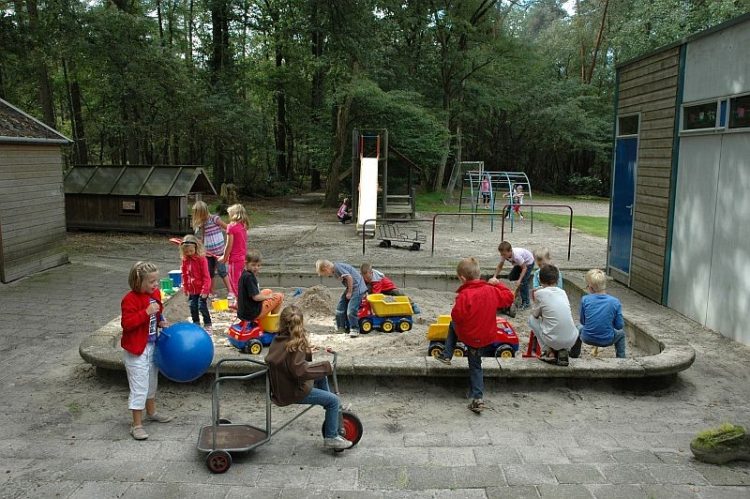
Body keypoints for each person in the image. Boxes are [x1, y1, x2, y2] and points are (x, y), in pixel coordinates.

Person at [265, 305, 353, 450]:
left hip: (281, 386)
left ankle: (333, 408)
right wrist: (327, 367)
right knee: (333, 400)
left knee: (320, 376)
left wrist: (308, 354)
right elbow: (300, 371)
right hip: (292, 391)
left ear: (281, 322)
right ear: (301, 323)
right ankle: (331, 437)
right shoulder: (297, 344)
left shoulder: (278, 339)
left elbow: (291, 362)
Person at [435, 257, 514, 414]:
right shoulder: (492, 290)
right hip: (488, 336)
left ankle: (447, 356)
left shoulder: (465, 295)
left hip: (471, 337)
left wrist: (458, 304)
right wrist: (498, 284)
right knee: (475, 364)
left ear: (463, 278)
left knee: (474, 363)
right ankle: (474, 394)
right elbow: (509, 297)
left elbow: (457, 316)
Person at [121, 261, 173, 441]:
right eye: (151, 282)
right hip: (136, 350)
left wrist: (161, 321)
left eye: (156, 280)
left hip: (152, 346)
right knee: (139, 386)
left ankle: (151, 412)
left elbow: (157, 314)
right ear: (138, 282)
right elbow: (126, 325)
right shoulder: (129, 299)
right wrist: (145, 312)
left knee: (151, 381)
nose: (156, 285)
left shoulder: (155, 294)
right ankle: (136, 425)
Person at [528, 264, 579, 366]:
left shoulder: (539, 293)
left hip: (553, 340)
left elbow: (536, 314)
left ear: (540, 280)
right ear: (557, 279)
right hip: (572, 339)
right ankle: (563, 350)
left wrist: (533, 301)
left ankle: (547, 351)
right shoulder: (563, 293)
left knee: (531, 319)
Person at [578, 269, 627, 358]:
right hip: (607, 339)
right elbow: (619, 326)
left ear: (590, 287)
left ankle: (574, 355)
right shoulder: (615, 302)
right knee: (621, 334)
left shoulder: (585, 299)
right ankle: (621, 359)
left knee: (578, 329)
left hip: (587, 337)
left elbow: (582, 322)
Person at [316, 259, 367, 337]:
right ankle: (341, 327)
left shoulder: (337, 268)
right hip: (351, 287)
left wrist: (349, 292)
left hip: (358, 288)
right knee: (340, 307)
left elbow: (349, 278)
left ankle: (355, 329)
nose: (326, 276)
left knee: (351, 310)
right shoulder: (334, 270)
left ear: (326, 268)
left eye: (324, 273)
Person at [191, 200, 232, 297]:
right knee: (210, 272)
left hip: (219, 252)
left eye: (200, 214)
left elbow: (228, 228)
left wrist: (232, 239)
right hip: (208, 253)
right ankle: (211, 291)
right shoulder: (203, 224)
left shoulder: (215, 219)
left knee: (222, 271)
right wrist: (201, 247)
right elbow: (204, 237)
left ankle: (230, 290)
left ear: (204, 212)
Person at [237, 249, 284, 328]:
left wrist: (267, 295)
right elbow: (256, 297)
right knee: (279, 296)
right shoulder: (250, 277)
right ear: (246, 264)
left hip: (243, 311)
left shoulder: (244, 274)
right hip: (252, 313)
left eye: (258, 265)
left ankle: (267, 313)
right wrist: (268, 297)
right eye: (253, 265)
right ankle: (272, 323)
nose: (256, 268)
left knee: (267, 291)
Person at [179, 235, 212, 333]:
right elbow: (184, 274)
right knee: (192, 306)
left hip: (202, 289)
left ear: (196, 248)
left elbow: (206, 276)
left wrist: (205, 290)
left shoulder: (201, 259)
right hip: (192, 290)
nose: (189, 253)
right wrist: (185, 287)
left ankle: (208, 324)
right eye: (186, 252)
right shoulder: (185, 260)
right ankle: (196, 323)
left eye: (191, 251)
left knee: (202, 306)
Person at [219, 203, 250, 306]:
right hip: (243, 258)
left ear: (233, 214)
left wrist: (224, 257)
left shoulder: (231, 227)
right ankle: (239, 301)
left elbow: (229, 245)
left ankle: (241, 303)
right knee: (242, 281)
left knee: (235, 283)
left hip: (235, 260)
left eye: (229, 214)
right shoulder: (243, 226)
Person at [489, 241, 535, 310]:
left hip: (528, 263)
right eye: (501, 254)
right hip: (519, 264)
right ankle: (516, 294)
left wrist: (519, 280)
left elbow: (524, 268)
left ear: (510, 251)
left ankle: (526, 302)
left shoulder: (516, 256)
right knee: (511, 277)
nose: (502, 256)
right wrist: (494, 276)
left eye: (504, 254)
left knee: (523, 281)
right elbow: (500, 266)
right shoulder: (504, 254)